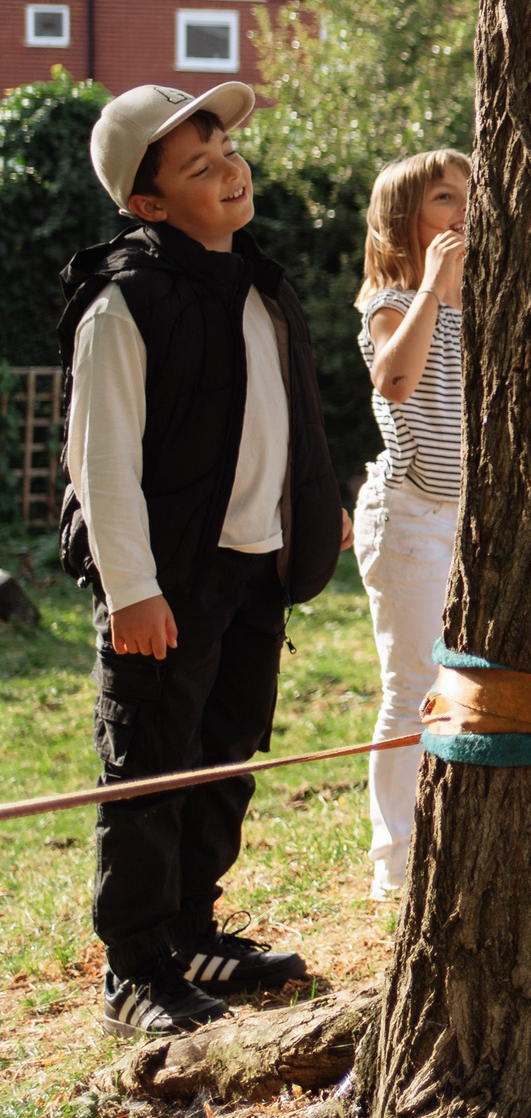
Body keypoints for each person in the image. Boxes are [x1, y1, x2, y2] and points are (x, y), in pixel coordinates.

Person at [60, 84, 347, 1036]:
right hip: (164, 584)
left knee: (223, 757)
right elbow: (101, 460)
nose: (229, 168)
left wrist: (312, 507)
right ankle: (136, 965)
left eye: (224, 147)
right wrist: (131, 591)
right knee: (149, 768)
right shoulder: (124, 302)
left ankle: (191, 929)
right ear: (147, 205)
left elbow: (285, 416)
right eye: (198, 165)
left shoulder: (261, 284)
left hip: (251, 567)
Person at [352, 149, 470, 898]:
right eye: (444, 199)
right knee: (413, 685)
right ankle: (394, 864)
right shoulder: (394, 300)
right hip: (410, 515)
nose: (463, 212)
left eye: (469, 197)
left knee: (460, 684)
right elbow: (395, 379)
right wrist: (432, 283)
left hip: (465, 515)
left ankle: (447, 838)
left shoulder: (476, 303)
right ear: (407, 220)